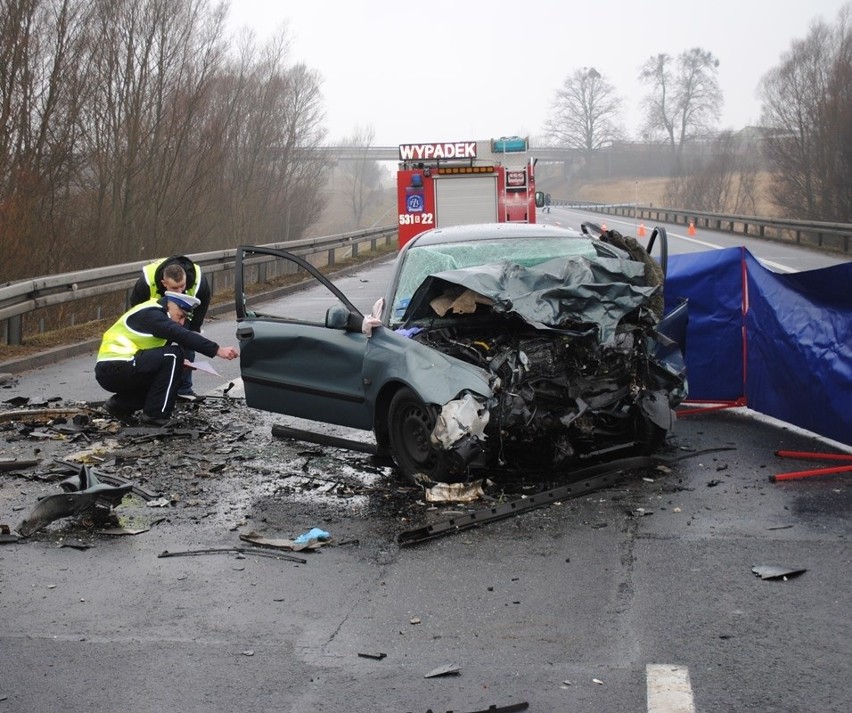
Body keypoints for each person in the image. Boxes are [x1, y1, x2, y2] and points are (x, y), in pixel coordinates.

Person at [95, 291, 239, 427]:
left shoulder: (157, 313)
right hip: (113, 367)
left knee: (172, 369)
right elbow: (182, 335)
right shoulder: (152, 314)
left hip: (121, 367)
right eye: (180, 316)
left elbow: (150, 352)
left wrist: (177, 365)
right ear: (170, 306)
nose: (181, 322)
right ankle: (155, 417)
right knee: (174, 354)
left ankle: (119, 406)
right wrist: (218, 350)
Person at [130, 255, 211, 401]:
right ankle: (149, 387)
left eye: (182, 286)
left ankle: (184, 389)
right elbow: (135, 310)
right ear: (164, 283)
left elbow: (202, 304)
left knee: (188, 342)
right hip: (155, 313)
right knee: (154, 350)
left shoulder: (199, 282)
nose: (180, 292)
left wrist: (194, 329)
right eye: (174, 288)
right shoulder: (146, 284)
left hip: (183, 312)